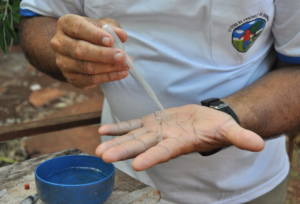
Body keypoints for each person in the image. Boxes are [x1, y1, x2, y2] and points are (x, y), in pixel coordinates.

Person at [19, 1, 299, 203]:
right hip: (124, 173)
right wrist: (70, 51)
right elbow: (39, 16)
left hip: (246, 183)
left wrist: (226, 115)